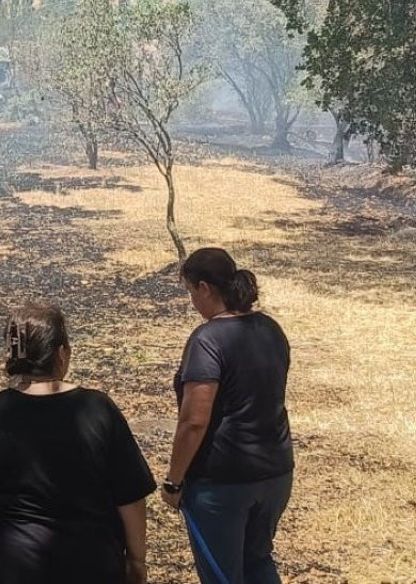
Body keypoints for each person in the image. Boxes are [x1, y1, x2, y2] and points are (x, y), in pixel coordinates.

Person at [0, 304, 155, 584]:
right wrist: (137, 560)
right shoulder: (99, 409)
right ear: (61, 353)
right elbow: (130, 498)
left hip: (14, 567)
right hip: (92, 565)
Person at [161, 248, 294, 584]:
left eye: (191, 292)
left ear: (204, 288)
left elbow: (194, 421)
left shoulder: (207, 340)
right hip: (275, 472)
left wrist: (174, 480)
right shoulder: (270, 329)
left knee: (222, 575)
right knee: (258, 562)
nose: (193, 302)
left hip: (222, 482)